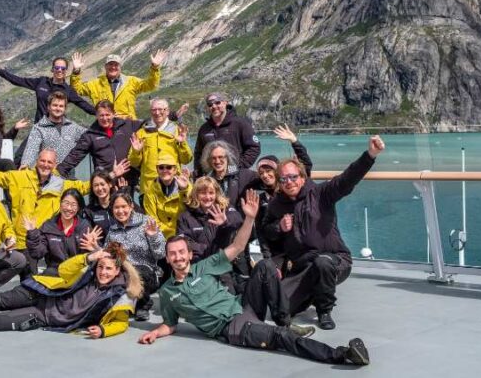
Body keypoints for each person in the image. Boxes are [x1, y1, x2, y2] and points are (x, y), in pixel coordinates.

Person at [138, 193, 370, 367]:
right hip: (232, 327)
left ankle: (284, 320)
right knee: (280, 339)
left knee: (266, 266)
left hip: (244, 305)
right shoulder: (168, 292)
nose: (178, 257)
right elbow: (170, 323)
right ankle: (341, 354)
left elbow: (238, 246)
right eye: (173, 254)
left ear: (189, 254)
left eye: (181, 252)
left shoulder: (204, 266)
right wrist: (155, 333)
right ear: (167, 259)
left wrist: (250, 218)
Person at [262, 135, 386, 331]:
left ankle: (324, 310)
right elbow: (266, 232)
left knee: (322, 264)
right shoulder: (277, 205)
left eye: (293, 177)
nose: (289, 182)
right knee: (280, 309)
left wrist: (370, 155)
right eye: (284, 178)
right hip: (303, 266)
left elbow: (347, 178)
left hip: (334, 259)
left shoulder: (321, 194)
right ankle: (312, 292)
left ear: (302, 178)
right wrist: (279, 227)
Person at [0, 148, 126, 274]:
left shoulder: (60, 183)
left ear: (55, 164)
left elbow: (87, 186)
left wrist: (112, 175)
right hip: (23, 239)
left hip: (48, 238)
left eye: (49, 162)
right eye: (42, 161)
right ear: (37, 161)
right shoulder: (18, 177)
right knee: (28, 276)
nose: (45, 165)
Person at [0, 243, 142, 338]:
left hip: (43, 316)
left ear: (117, 271)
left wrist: (104, 331)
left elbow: (120, 323)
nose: (103, 272)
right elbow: (65, 270)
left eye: (108, 269)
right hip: (40, 294)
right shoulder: (87, 271)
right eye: (101, 267)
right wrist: (90, 257)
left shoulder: (121, 295)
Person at [83, 191, 165, 321]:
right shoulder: (113, 229)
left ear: (131, 206)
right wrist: (95, 248)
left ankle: (142, 304)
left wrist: (153, 236)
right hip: (122, 271)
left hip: (146, 273)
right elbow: (108, 255)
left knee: (136, 272)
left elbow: (160, 254)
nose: (120, 211)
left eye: (123, 206)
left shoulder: (146, 222)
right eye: (116, 207)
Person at [251, 124, 314, 259]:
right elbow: (261, 231)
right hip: (278, 253)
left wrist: (294, 141)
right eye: (261, 173)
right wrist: (269, 258)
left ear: (277, 172)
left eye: (269, 171)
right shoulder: (262, 199)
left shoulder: (292, 189)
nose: (265, 175)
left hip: (301, 249)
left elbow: (306, 166)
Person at [175, 176, 245, 292]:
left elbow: (238, 220)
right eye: (203, 193)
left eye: (211, 193)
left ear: (216, 193)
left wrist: (225, 222)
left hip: (223, 265)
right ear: (196, 194)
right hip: (198, 266)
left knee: (228, 297)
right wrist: (208, 250)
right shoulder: (186, 216)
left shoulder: (224, 209)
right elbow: (183, 242)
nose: (208, 197)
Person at [57, 99, 143, 188]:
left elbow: (147, 124)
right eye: (101, 115)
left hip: (128, 182)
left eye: (107, 115)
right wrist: (57, 173)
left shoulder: (127, 125)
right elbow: (74, 156)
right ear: (96, 115)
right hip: (104, 184)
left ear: (113, 114)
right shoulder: (90, 135)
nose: (105, 118)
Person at [0, 56, 96, 122]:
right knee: (20, 158)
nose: (59, 70)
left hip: (56, 129)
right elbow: (18, 80)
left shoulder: (68, 90)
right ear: (52, 69)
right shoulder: (42, 82)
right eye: (57, 67)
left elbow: (84, 105)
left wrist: (104, 113)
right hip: (38, 127)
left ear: (66, 71)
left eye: (63, 68)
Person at [69, 49, 167, 120]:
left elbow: (151, 85)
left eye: (116, 65)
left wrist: (155, 67)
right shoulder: (95, 84)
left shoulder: (131, 81)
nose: (113, 67)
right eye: (110, 64)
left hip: (128, 124)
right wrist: (76, 71)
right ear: (105, 66)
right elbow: (76, 90)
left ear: (120, 67)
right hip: (104, 124)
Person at [128, 98, 193, 193]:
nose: (157, 113)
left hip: (172, 185)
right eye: (154, 110)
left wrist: (182, 144)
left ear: (167, 111)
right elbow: (134, 163)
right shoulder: (141, 133)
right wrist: (136, 152)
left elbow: (186, 160)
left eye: (161, 109)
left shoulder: (177, 131)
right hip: (149, 188)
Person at [25, 189, 91, 276]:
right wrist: (32, 234)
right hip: (55, 273)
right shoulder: (49, 226)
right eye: (66, 203)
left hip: (77, 273)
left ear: (78, 207)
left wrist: (92, 247)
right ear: (60, 203)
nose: (69, 208)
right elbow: (37, 253)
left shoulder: (84, 226)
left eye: (73, 204)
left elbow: (89, 255)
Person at [193, 92, 260, 176]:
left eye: (217, 102)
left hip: (236, 176)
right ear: (207, 108)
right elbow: (198, 153)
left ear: (225, 103)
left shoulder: (240, 123)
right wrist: (198, 174)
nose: (214, 106)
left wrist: (235, 168)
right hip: (212, 177)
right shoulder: (204, 129)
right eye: (210, 104)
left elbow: (254, 148)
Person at [20, 91, 87, 171]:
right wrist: (26, 164)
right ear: (48, 107)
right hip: (46, 174)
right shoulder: (39, 128)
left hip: (67, 175)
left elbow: (91, 136)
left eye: (61, 106)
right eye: (55, 105)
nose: (58, 108)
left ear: (65, 109)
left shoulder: (73, 127)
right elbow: (31, 149)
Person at [140, 154, 191, 239]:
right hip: (161, 234)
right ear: (157, 170)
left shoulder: (186, 186)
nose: (165, 170)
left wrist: (184, 190)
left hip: (184, 232)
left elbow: (191, 209)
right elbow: (152, 218)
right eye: (161, 167)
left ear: (175, 170)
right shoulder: (150, 191)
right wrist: (169, 234)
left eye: (169, 167)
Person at [81, 171, 118, 239]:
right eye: (96, 185)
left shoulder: (119, 205)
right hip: (99, 248)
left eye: (102, 184)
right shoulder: (89, 211)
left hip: (124, 248)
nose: (100, 188)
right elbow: (88, 234)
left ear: (110, 184)